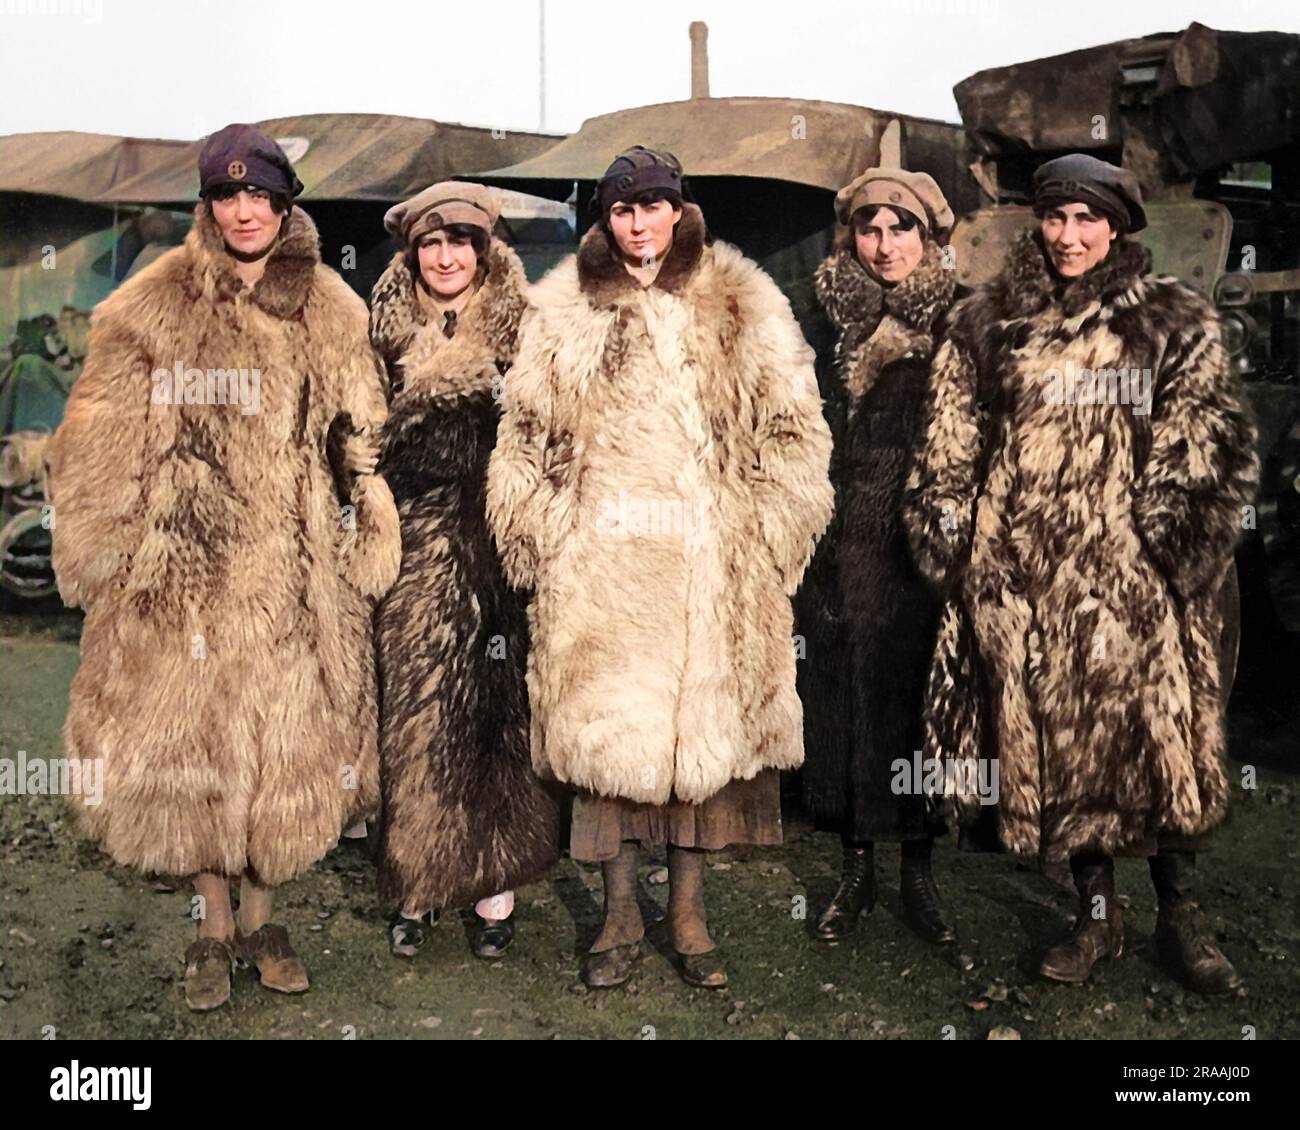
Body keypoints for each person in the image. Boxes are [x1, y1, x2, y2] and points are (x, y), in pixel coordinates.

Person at [45, 123, 401, 1010]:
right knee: (194, 746)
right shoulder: (149, 307)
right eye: (227, 196)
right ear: (206, 205)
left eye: (261, 197)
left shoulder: (333, 307)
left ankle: (265, 916)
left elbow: (360, 429)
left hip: (293, 575)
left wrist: (358, 496)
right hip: (184, 579)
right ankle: (210, 924)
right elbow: (98, 438)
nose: (245, 212)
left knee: (286, 749)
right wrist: (100, 551)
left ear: (285, 206)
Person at [904, 153, 1258, 993]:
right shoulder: (987, 322)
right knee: (1068, 755)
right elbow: (948, 449)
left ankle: (1183, 922)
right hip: (1030, 583)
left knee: (1167, 746)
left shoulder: (1174, 322)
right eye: (1055, 218)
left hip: (1140, 589)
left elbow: (1207, 447)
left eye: (1086, 220)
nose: (1068, 237)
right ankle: (1095, 920)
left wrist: (1171, 559)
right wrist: (960, 545)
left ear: (1118, 227)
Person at [487, 146, 833, 989]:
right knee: (610, 750)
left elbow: (795, 430)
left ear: (679, 213)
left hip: (710, 574)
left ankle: (687, 913)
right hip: (602, 575)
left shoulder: (742, 301)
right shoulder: (561, 309)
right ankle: (615, 917)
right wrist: (548, 545)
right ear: (604, 220)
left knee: (699, 752)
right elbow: (525, 440)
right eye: (622, 209)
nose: (639, 224)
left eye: (653, 207)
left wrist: (768, 544)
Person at [368, 182, 559, 960]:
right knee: (413, 715)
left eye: (462, 243)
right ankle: (415, 882)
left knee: (496, 716)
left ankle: (493, 882)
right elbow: (355, 437)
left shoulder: (529, 328)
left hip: (500, 546)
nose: (446, 258)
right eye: (431, 244)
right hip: (411, 551)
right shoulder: (378, 332)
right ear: (411, 253)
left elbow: (554, 430)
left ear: (485, 251)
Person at [803, 168, 962, 944]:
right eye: (871, 228)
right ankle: (856, 866)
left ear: (929, 238)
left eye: (902, 228)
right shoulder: (821, 314)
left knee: (920, 698)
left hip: (921, 545)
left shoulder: (962, 319)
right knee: (847, 699)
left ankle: (920, 871)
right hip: (837, 543)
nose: (885, 244)